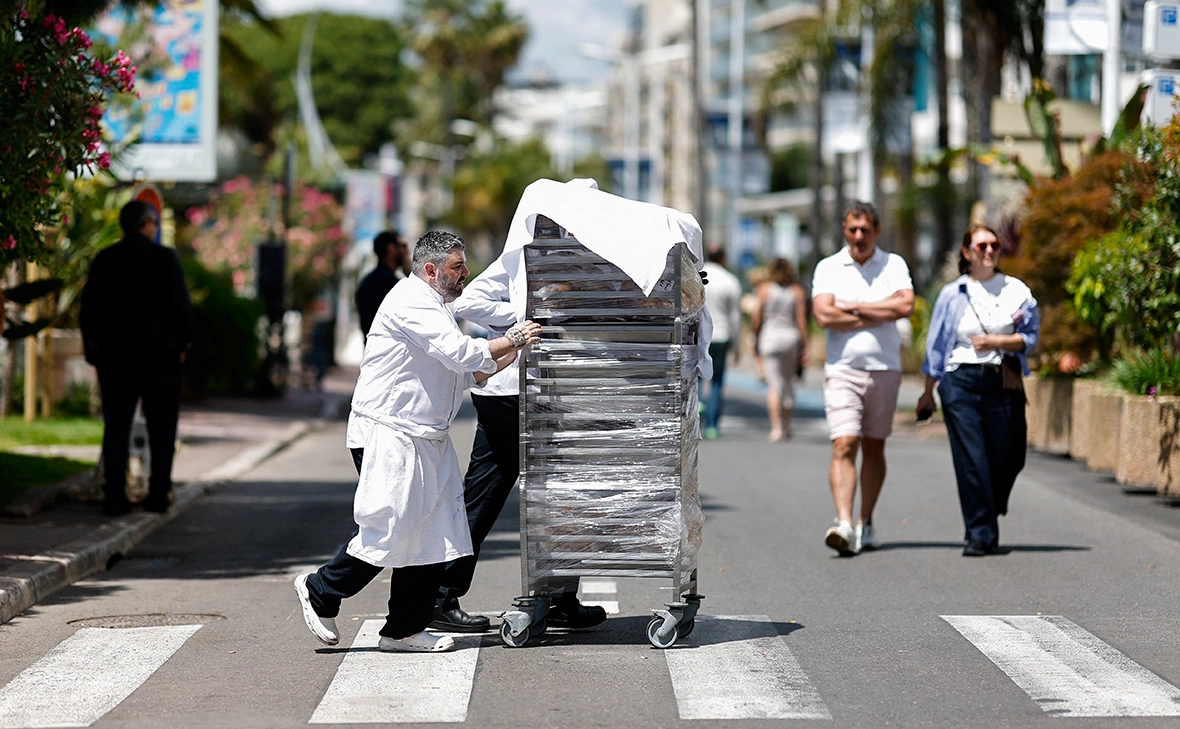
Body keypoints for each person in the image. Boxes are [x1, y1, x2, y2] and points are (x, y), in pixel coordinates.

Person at [293, 231, 541, 653]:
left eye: (464, 266)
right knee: (390, 526)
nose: (465, 274)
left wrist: (500, 357)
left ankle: (404, 629)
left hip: (426, 437)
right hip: (389, 432)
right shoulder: (409, 300)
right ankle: (321, 589)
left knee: (437, 531)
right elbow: (461, 353)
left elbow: (458, 373)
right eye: (457, 268)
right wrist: (511, 340)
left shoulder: (436, 307)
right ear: (430, 270)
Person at [428, 248, 608, 634]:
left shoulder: (588, 267)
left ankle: (445, 595)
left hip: (551, 393)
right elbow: (471, 301)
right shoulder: (521, 258)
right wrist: (528, 316)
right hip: (512, 392)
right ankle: (552, 596)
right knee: (544, 495)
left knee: (524, 495)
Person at [917, 224, 1039, 557]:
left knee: (1010, 456)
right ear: (967, 253)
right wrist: (928, 391)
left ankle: (989, 504)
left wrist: (996, 342)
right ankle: (979, 534)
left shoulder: (1016, 290)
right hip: (960, 382)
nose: (989, 251)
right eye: (981, 245)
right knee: (972, 458)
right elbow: (937, 347)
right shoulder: (952, 294)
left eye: (994, 245)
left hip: (1003, 379)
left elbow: (1030, 338)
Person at [812, 201, 914, 555]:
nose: (859, 237)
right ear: (844, 229)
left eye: (865, 230)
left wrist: (851, 306)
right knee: (844, 443)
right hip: (843, 369)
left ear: (877, 231)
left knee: (874, 446)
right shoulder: (829, 267)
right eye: (853, 229)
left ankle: (865, 521)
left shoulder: (894, 264)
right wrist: (878, 310)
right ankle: (844, 523)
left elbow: (905, 307)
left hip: (885, 369)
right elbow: (823, 315)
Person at [80, 200, 191, 516]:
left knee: (116, 426)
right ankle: (157, 494)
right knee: (162, 427)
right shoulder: (163, 258)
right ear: (146, 223)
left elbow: (88, 308)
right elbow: (180, 306)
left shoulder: (106, 258)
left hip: (115, 358)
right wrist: (183, 344)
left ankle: (114, 495)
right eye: (154, 223)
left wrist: (94, 351)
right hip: (160, 357)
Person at [752, 258, 808, 441]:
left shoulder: (764, 290)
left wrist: (755, 337)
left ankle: (776, 427)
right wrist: (805, 346)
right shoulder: (797, 291)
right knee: (788, 382)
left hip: (770, 338)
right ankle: (787, 424)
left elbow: (757, 318)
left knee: (774, 384)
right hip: (790, 339)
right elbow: (801, 323)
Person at [700, 247, 742, 439]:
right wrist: (737, 342)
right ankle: (712, 425)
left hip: (700, 334)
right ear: (723, 257)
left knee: (697, 376)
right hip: (722, 334)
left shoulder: (698, 276)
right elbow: (735, 316)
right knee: (717, 381)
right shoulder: (730, 280)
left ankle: (698, 402)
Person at [355, 230, 408, 340]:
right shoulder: (393, 285)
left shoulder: (367, 281)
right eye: (403, 246)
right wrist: (412, 274)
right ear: (391, 248)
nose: (406, 251)